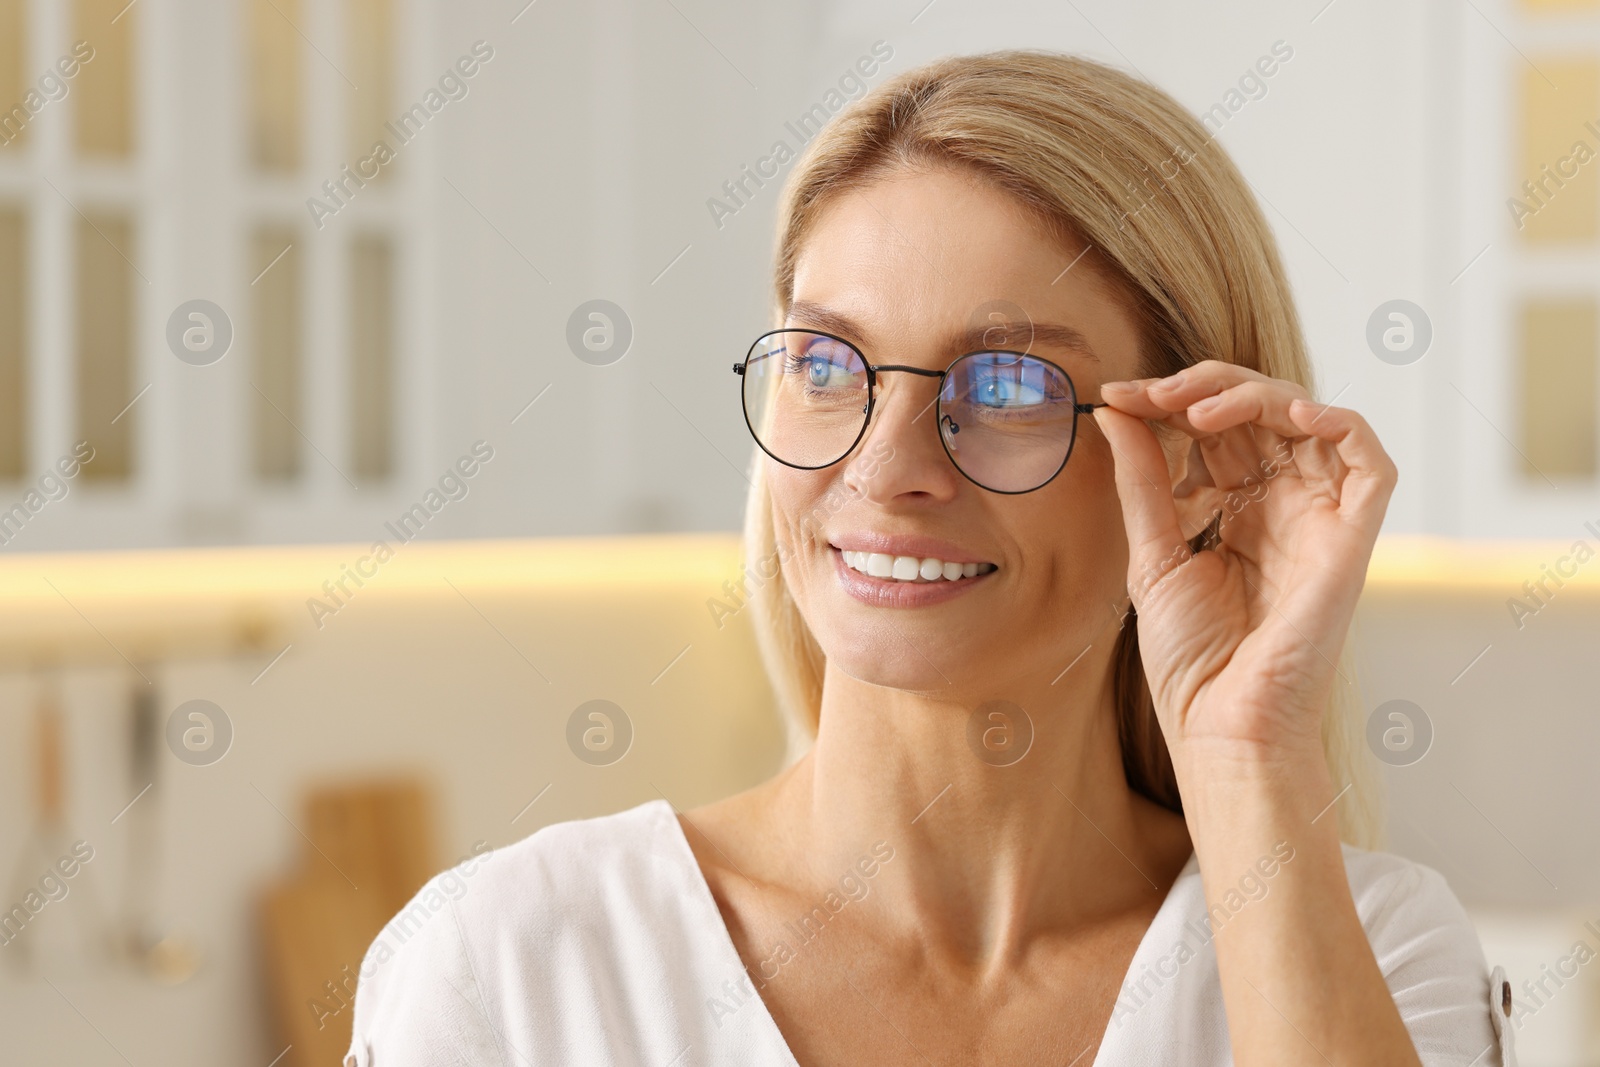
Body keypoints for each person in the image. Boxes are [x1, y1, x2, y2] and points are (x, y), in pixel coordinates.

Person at [344, 49, 1517, 1066]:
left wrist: (1249, 752)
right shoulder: (508, 961)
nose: (888, 464)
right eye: (825, 362)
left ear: (1195, 459)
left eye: (1005, 383)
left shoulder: (1372, 943)